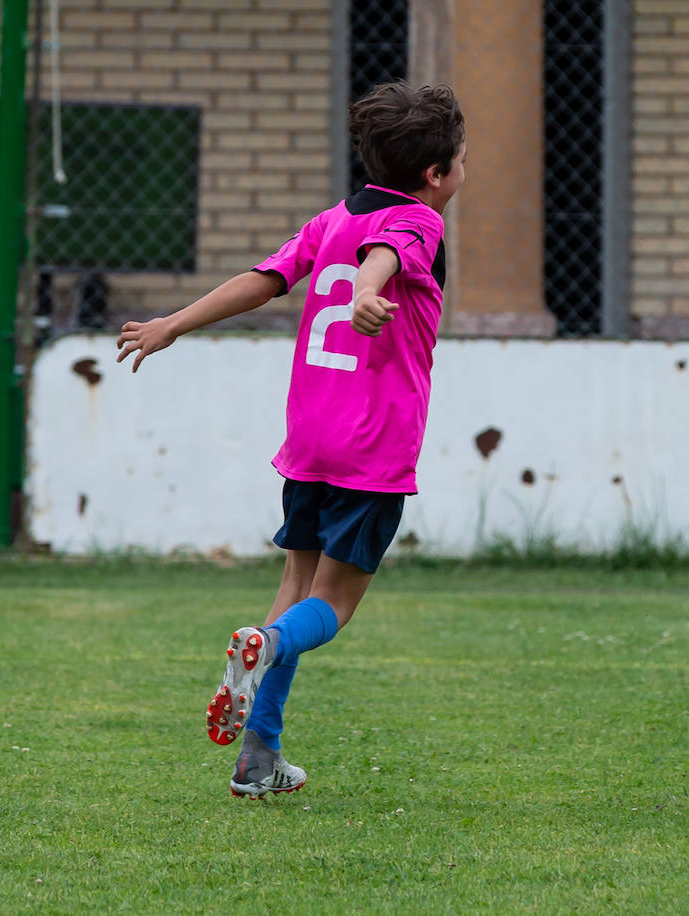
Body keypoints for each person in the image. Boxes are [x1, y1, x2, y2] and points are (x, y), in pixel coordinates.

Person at [115, 81, 467, 798]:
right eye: (461, 161)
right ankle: (267, 645)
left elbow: (264, 278)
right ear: (434, 176)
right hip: (373, 447)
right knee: (330, 604)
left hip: (310, 437)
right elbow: (387, 254)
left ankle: (258, 756)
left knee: (294, 585)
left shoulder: (332, 218)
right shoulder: (421, 222)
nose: (463, 172)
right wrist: (370, 293)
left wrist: (173, 323)